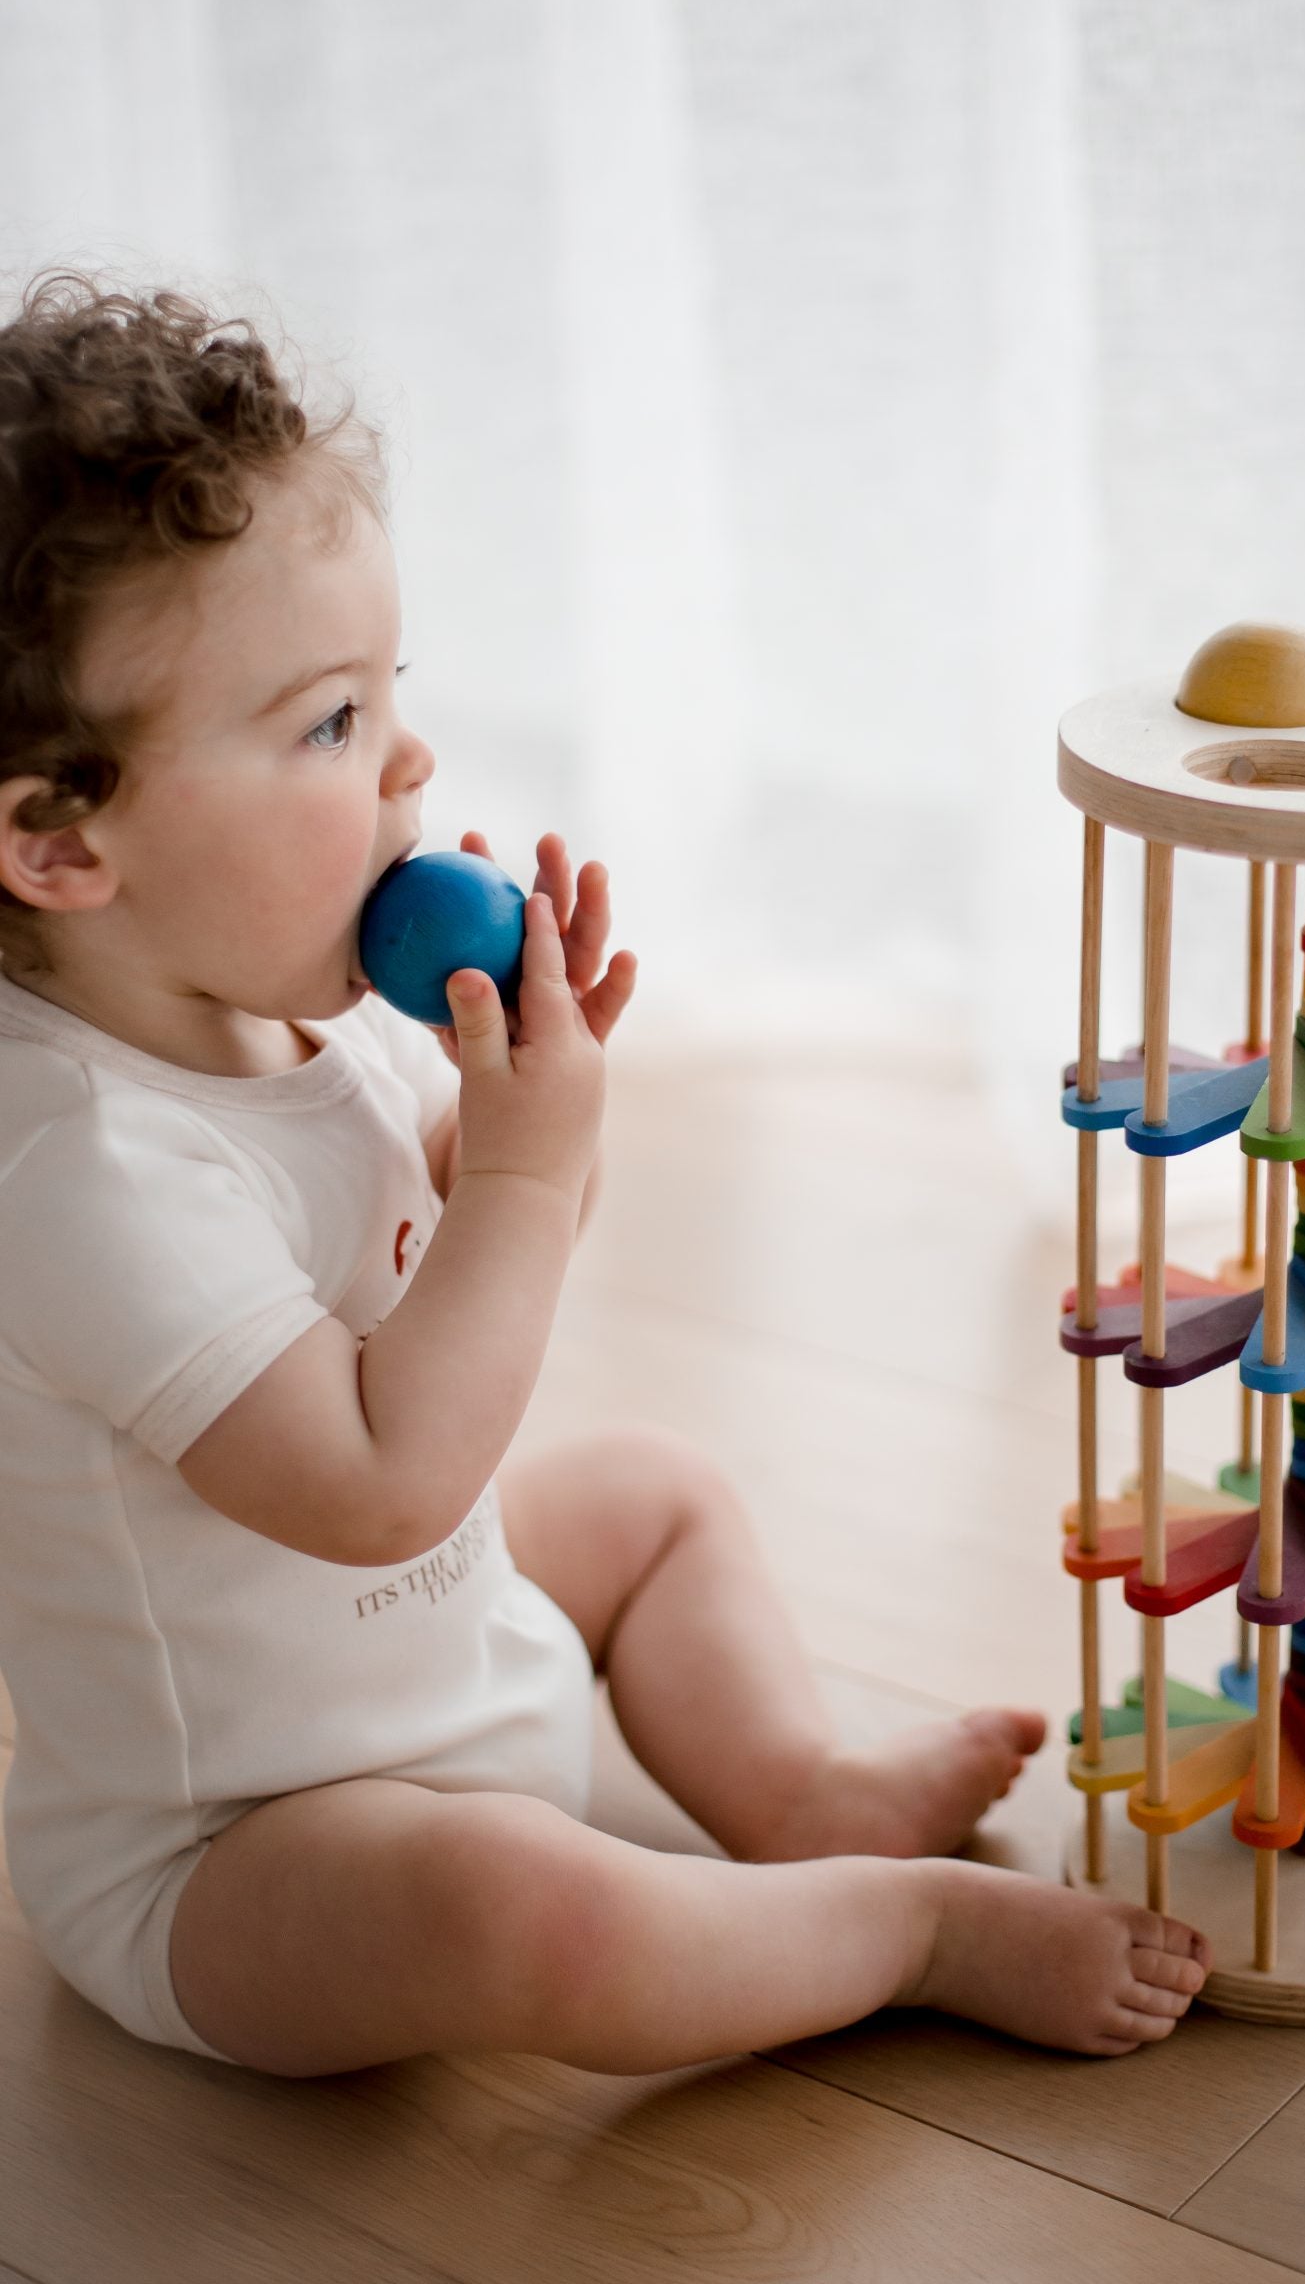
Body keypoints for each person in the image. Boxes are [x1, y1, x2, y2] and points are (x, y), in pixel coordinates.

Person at [0, 273, 1209, 2079]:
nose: (410, 757)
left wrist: (500, 1135)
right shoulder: (75, 1171)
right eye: (328, 723)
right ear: (59, 841)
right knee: (524, 1909)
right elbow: (386, 1478)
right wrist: (531, 1182)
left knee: (648, 1496)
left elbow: (418, 1268)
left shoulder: (281, 1006)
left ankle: (800, 1793)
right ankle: (905, 1929)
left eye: (388, 691)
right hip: (244, 1851)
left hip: (452, 1656)